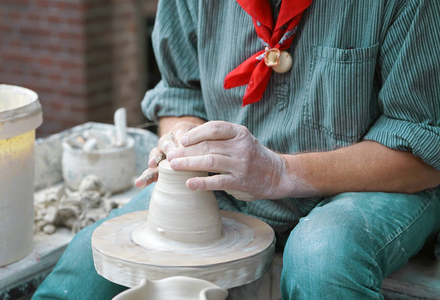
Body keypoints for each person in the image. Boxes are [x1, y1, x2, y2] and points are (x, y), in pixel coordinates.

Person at [33, 0, 440, 299]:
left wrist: (279, 174)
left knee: (323, 257)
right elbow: (180, 95)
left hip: (372, 185)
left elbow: (424, 153)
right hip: (235, 181)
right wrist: (184, 140)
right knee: (85, 268)